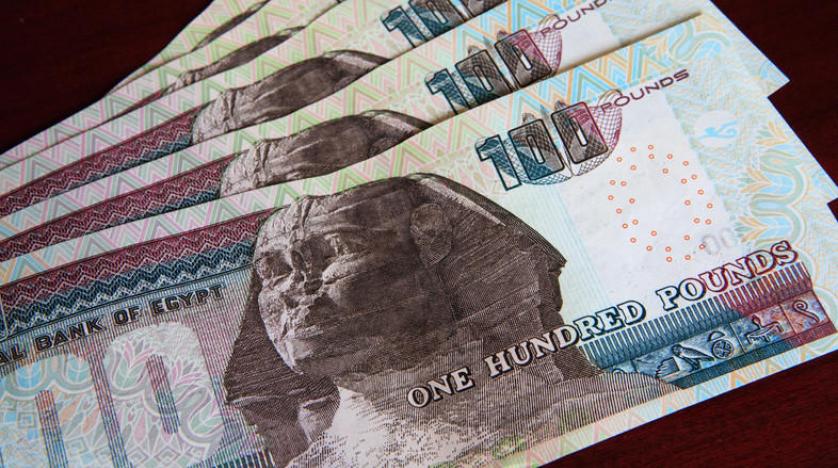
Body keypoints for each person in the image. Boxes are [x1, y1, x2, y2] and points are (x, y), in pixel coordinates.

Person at [225, 175, 672, 466]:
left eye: (337, 249)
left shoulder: (609, 410)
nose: (296, 288)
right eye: (274, 270)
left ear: (431, 240)